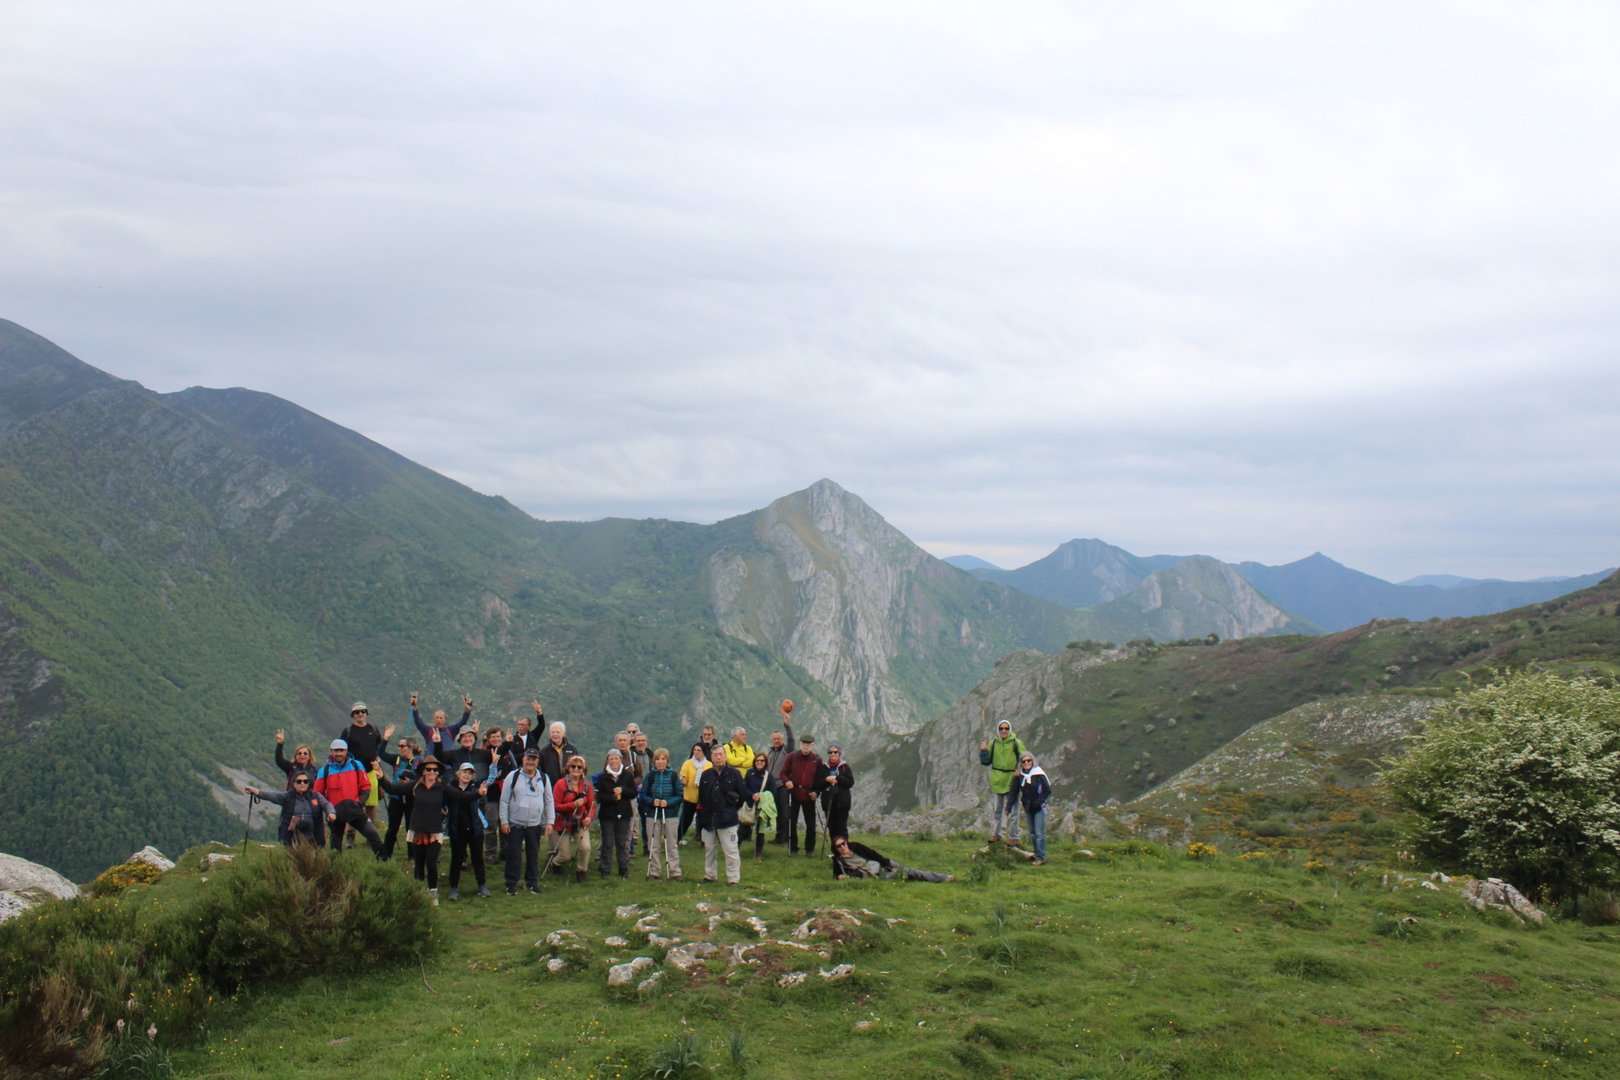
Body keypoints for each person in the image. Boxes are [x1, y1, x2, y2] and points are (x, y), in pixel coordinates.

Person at [377, 758, 482, 905]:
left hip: (434, 831)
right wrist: (381, 777)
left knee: (431, 864)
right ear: (423, 772)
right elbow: (393, 789)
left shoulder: (442, 787)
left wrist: (478, 793)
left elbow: (461, 796)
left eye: (434, 769)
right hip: (417, 830)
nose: (432, 772)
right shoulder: (415, 786)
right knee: (419, 865)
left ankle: (433, 893)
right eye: (428, 769)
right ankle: (418, 893)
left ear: (438, 772)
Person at [312, 739, 382, 854]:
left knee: (372, 834)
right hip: (335, 812)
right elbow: (317, 794)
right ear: (331, 751)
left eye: (342, 750)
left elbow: (365, 786)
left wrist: (360, 803)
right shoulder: (324, 771)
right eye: (336, 750)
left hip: (354, 809)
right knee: (335, 845)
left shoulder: (356, 765)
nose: (339, 753)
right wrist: (327, 810)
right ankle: (336, 867)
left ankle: (383, 860)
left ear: (346, 751)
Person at [500, 747, 555, 894]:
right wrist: (504, 821)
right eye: (528, 759)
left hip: (534, 823)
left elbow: (549, 801)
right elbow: (504, 800)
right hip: (514, 823)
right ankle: (511, 884)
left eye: (533, 759)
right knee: (514, 855)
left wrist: (550, 822)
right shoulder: (513, 776)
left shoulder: (544, 778)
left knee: (533, 854)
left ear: (538, 761)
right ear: (523, 760)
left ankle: (531, 883)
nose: (530, 762)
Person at [444, 762, 492, 900]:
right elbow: (444, 801)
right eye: (465, 772)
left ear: (472, 776)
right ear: (459, 773)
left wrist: (493, 764)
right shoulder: (451, 788)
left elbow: (490, 779)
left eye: (470, 773)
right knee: (456, 859)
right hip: (457, 829)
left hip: (474, 828)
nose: (467, 775)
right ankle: (453, 888)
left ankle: (482, 885)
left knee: (478, 858)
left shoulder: (475, 786)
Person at [697, 746, 744, 884]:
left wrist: (730, 809)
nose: (718, 757)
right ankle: (709, 876)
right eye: (715, 755)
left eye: (720, 754)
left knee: (731, 851)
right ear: (711, 757)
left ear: (725, 756)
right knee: (709, 849)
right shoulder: (706, 775)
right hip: (709, 818)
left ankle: (733, 879)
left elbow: (741, 796)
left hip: (727, 819)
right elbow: (701, 797)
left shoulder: (734, 774)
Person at [244, 773, 332, 847]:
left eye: (305, 781)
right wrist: (257, 792)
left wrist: (331, 813)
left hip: (314, 835)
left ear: (309, 783)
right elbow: (273, 796)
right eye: (299, 781)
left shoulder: (316, 796)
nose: (302, 783)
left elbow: (326, 804)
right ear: (294, 784)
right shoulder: (287, 796)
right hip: (291, 835)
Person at [377, 737, 424, 860]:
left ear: (410, 747)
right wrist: (385, 739)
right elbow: (380, 753)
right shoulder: (396, 759)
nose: (400, 748)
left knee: (411, 827)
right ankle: (386, 854)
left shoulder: (419, 762)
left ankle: (412, 855)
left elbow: (422, 779)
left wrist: (410, 783)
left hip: (412, 798)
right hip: (396, 797)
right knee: (393, 827)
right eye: (399, 746)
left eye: (402, 746)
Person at [979, 720, 1026, 843]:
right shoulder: (993, 743)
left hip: (1012, 779)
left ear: (1009, 729)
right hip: (998, 779)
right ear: (998, 730)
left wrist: (1019, 771)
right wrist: (983, 751)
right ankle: (996, 834)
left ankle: (1013, 837)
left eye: (1006, 728)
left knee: (1014, 811)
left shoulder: (1017, 743)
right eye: (1001, 728)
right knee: (997, 810)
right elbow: (986, 762)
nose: (1004, 730)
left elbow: (1025, 758)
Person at [639, 747, 682, 880]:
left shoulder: (674, 775)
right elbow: (643, 795)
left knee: (672, 844)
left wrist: (668, 803)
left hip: (670, 815)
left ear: (667, 761)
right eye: (657, 759)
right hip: (653, 814)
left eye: (663, 759)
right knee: (654, 844)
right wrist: (653, 802)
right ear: (654, 761)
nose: (660, 762)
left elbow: (680, 795)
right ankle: (654, 871)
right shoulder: (650, 776)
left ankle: (675, 871)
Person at [830, 836, 952, 882]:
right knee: (904, 875)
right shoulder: (839, 860)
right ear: (836, 849)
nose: (842, 847)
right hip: (875, 875)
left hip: (884, 864)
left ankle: (943, 877)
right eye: (838, 846)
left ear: (846, 842)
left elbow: (874, 854)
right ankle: (932, 879)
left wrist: (888, 866)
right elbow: (837, 874)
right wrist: (840, 877)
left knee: (909, 871)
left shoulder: (856, 847)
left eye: (843, 843)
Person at [593, 749, 638, 878]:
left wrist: (622, 790)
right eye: (611, 758)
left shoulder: (628, 775)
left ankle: (623, 869)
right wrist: (613, 797)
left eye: (616, 758)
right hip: (607, 814)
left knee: (622, 842)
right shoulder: (602, 777)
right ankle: (605, 869)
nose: (614, 761)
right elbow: (599, 797)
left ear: (620, 760)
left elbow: (633, 793)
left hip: (624, 813)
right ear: (607, 761)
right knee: (607, 842)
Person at [552, 754, 595, 884]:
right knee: (565, 855)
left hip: (580, 822)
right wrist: (572, 805)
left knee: (585, 848)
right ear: (568, 768)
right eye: (573, 766)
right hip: (563, 823)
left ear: (583, 770)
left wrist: (589, 818)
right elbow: (555, 806)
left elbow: (592, 805)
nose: (576, 769)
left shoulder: (587, 786)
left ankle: (581, 871)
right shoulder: (560, 784)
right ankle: (556, 862)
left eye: (579, 767)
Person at [781, 734, 824, 856]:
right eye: (804, 744)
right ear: (800, 745)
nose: (806, 746)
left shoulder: (817, 759)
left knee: (810, 824)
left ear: (812, 746)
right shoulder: (792, 757)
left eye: (808, 744)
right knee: (792, 822)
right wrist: (787, 781)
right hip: (794, 792)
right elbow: (783, 773)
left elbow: (820, 779)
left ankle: (809, 849)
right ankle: (793, 848)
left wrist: (816, 791)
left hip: (809, 795)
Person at [1008, 752, 1052, 865]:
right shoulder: (1020, 776)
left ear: (1033, 761)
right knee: (1032, 833)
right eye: (1024, 761)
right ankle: (1037, 854)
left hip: (1038, 807)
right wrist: (1008, 806)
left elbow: (1047, 790)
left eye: (1029, 760)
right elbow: (1014, 791)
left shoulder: (1039, 774)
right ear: (1021, 763)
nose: (1026, 763)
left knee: (1039, 833)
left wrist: (1039, 802)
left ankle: (1041, 857)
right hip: (1028, 807)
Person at [764, 701, 795, 844]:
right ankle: (778, 836)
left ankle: (784, 837)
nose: (776, 740)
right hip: (771, 786)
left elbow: (792, 739)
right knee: (775, 812)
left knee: (784, 812)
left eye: (778, 738)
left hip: (782, 785)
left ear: (782, 740)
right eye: (774, 739)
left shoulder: (786, 751)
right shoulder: (770, 752)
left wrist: (787, 726)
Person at [741, 752, 780, 861]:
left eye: (762, 761)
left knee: (760, 831)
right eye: (757, 760)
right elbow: (744, 787)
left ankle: (758, 853)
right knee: (743, 828)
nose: (759, 762)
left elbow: (773, 792)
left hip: (762, 807)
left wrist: (761, 796)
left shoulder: (769, 776)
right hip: (750, 804)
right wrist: (752, 795)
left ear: (765, 762)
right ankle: (734, 850)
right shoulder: (749, 773)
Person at [677, 742, 709, 844]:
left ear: (703, 752)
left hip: (704, 799)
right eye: (695, 750)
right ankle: (677, 839)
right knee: (685, 820)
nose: (696, 752)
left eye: (699, 750)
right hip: (689, 798)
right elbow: (683, 775)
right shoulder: (688, 763)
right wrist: (683, 780)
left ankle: (704, 841)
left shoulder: (709, 765)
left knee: (705, 821)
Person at [820, 744, 854, 841]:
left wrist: (837, 779)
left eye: (835, 752)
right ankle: (835, 850)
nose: (833, 754)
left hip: (842, 802)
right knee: (831, 827)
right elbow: (817, 783)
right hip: (828, 802)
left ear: (839, 754)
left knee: (842, 827)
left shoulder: (845, 767)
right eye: (830, 752)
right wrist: (827, 780)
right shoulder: (823, 767)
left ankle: (844, 850)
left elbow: (850, 782)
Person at [537, 721, 578, 787]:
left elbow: (578, 767)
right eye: (552, 732)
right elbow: (539, 770)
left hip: (570, 787)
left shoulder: (572, 749)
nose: (555, 734)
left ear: (563, 734)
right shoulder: (543, 751)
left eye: (557, 732)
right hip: (550, 788)